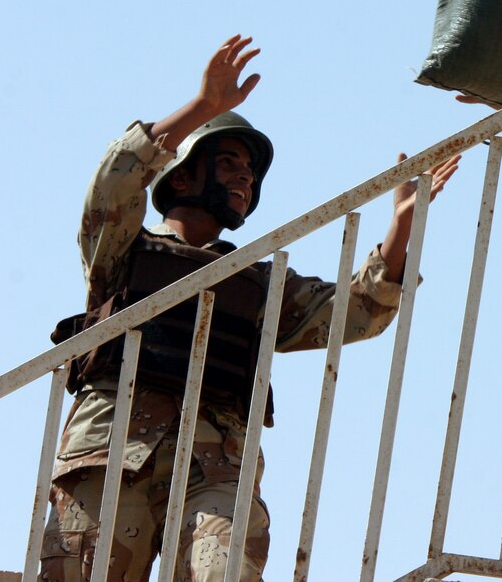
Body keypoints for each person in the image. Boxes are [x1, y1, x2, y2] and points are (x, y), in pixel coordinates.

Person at [39, 35, 459, 581]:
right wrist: (203, 109)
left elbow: (356, 312)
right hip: (110, 454)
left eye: (251, 171)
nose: (246, 177)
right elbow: (113, 184)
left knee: (225, 569)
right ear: (183, 177)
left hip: (214, 466)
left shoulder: (255, 282)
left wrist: (401, 227)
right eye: (230, 161)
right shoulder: (123, 252)